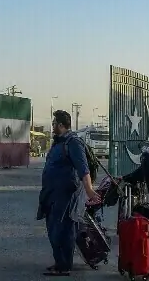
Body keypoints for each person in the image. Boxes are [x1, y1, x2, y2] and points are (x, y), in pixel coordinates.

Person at [37, 110, 100, 277]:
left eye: (53, 123)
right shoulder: (58, 143)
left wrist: (89, 190)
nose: (52, 126)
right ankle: (59, 262)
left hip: (65, 195)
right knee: (53, 228)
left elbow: (83, 168)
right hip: (51, 193)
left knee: (63, 229)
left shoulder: (73, 142)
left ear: (60, 125)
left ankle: (64, 266)